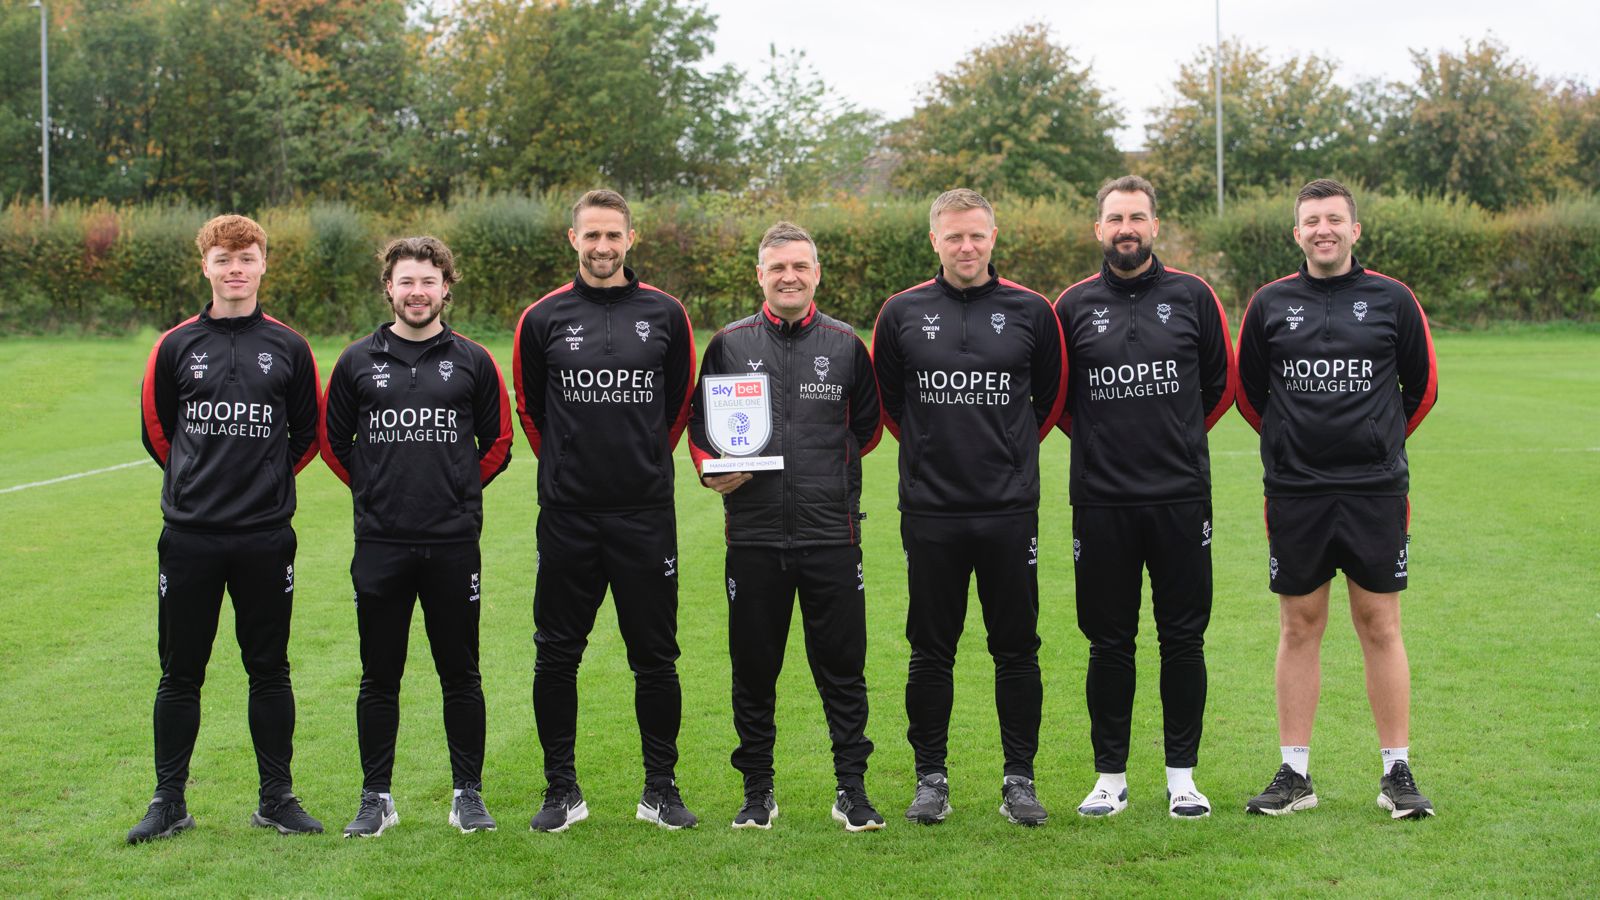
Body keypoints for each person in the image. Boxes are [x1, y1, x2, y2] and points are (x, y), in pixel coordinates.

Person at [1235, 178, 1439, 819]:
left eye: (1334, 219)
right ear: (1296, 233)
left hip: (1375, 489)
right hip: (1295, 491)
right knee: (1299, 627)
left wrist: (1375, 440)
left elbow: (1422, 389)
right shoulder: (1270, 304)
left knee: (1380, 626)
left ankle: (1397, 772)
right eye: (1311, 221)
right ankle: (1295, 774)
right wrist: (1295, 442)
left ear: (1355, 230)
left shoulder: (1392, 299)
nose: (1323, 229)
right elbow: (1249, 394)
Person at [870, 188, 1065, 826]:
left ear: (993, 235)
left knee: (1017, 648)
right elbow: (893, 405)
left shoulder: (1031, 311)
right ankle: (931, 780)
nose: (966, 247)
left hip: (1009, 510)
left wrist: (1007, 456)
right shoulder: (901, 313)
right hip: (931, 510)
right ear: (935, 240)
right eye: (954, 236)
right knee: (931, 649)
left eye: (977, 235)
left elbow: (1049, 401)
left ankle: (1020, 780)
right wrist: (933, 455)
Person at [688, 222, 886, 832]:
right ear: (761, 276)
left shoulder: (848, 344)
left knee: (843, 670)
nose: (789, 277)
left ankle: (851, 789)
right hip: (752, 538)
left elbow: (868, 430)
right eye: (777, 268)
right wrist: (711, 471)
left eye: (800, 266)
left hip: (831, 536)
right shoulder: (729, 344)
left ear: (816, 273)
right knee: (753, 669)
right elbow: (702, 432)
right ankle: (757, 792)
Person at [131, 214, 323, 843]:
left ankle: (276, 798)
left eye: (246, 258)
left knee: (269, 667)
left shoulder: (290, 348)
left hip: (265, 536)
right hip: (190, 536)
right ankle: (169, 802)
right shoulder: (175, 345)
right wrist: (196, 484)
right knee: (180, 671)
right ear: (205, 266)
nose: (235, 269)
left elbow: (306, 435)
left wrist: (261, 486)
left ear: (264, 264)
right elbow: (159, 432)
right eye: (223, 259)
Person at [513, 190, 698, 831]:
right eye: (590, 236)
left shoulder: (666, 314)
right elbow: (533, 411)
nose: (602, 247)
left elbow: (677, 407)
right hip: (567, 516)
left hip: (644, 513)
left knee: (656, 656)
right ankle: (561, 790)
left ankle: (660, 790)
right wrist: (566, 470)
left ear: (630, 238)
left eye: (612, 235)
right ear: (573, 240)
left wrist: (644, 462)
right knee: (557, 654)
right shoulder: (542, 318)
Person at [1053, 176, 1236, 819]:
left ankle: (1182, 777)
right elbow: (1059, 400)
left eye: (1137, 216)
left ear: (1155, 226)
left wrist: (1175, 441)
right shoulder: (1071, 306)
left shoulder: (1193, 296)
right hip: (1101, 501)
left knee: (1183, 639)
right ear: (1098, 230)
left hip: (1181, 498)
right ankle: (1110, 777)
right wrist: (1105, 443)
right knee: (1109, 643)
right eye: (1114, 217)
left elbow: (1218, 387)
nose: (1126, 227)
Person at [321, 237, 514, 837]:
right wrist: (376, 491)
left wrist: (456, 490)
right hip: (381, 542)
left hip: (453, 542)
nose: (416, 292)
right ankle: (375, 796)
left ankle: (467, 794)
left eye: (428, 282)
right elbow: (333, 444)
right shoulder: (356, 361)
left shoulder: (474, 360)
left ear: (446, 287)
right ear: (389, 287)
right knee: (380, 674)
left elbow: (499, 443)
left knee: (462, 672)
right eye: (406, 281)